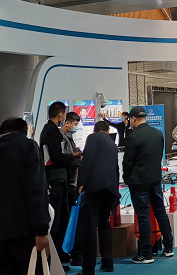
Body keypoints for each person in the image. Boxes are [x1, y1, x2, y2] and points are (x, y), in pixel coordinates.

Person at [0, 118, 50, 275]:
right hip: (26, 231)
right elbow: (36, 189)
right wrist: (41, 230)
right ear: (24, 132)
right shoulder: (28, 147)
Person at [123, 106, 174, 264]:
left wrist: (126, 177)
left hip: (138, 181)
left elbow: (128, 161)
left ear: (133, 119)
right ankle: (168, 247)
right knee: (161, 212)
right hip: (155, 179)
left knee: (143, 216)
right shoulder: (158, 134)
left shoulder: (133, 137)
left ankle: (146, 254)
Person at [74, 120, 120, 275]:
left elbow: (87, 161)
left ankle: (88, 269)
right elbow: (116, 168)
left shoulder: (93, 138)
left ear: (95, 131)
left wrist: (81, 183)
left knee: (90, 227)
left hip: (95, 188)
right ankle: (108, 262)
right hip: (110, 189)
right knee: (104, 224)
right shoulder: (112, 144)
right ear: (107, 131)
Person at [40, 101, 82, 269]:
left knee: (63, 218)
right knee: (56, 221)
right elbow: (56, 157)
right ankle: (55, 259)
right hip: (56, 180)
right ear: (60, 115)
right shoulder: (52, 131)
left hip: (58, 179)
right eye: (64, 114)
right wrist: (73, 156)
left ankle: (61, 255)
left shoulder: (48, 130)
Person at [60, 112, 83, 208]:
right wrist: (80, 159)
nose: (75, 127)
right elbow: (66, 157)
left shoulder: (69, 135)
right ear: (67, 123)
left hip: (73, 178)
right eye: (75, 124)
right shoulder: (62, 137)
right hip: (69, 178)